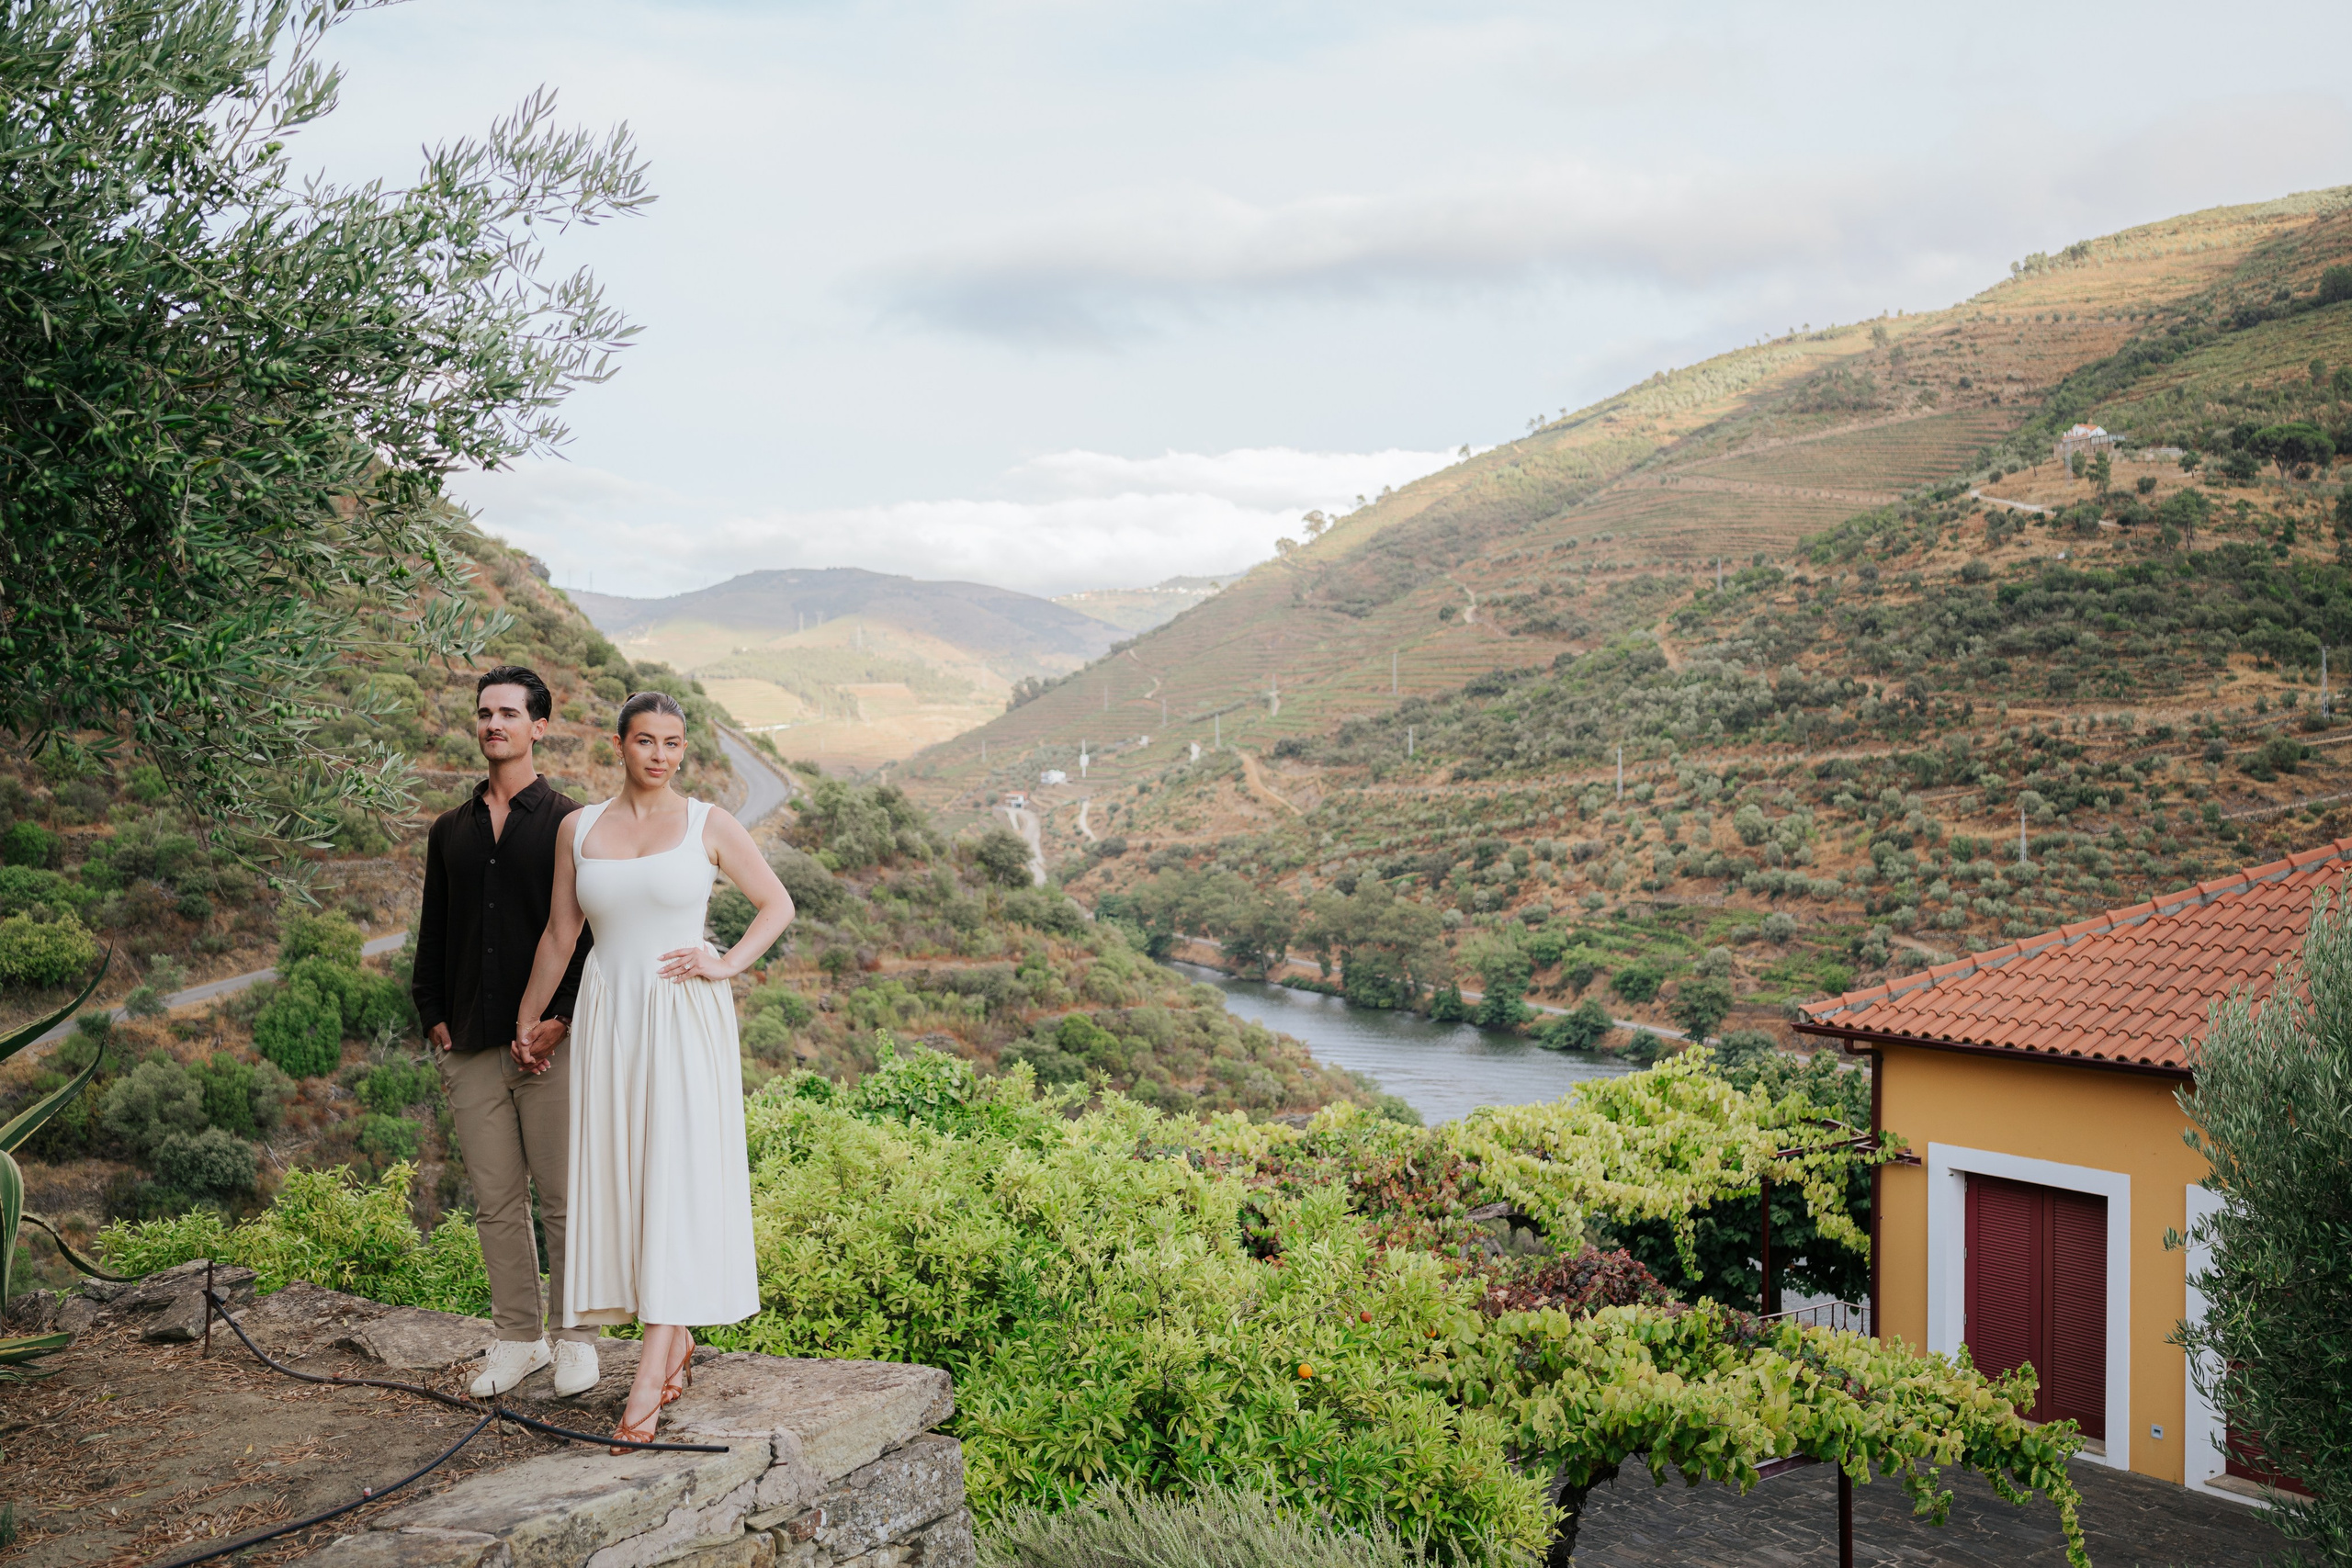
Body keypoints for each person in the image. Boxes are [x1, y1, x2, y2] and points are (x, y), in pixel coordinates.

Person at [513, 690, 794, 1449]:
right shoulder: (579, 827)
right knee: (628, 1181)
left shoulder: (711, 823)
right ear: (620, 744)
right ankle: (673, 1345)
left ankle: (646, 1380)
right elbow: (560, 935)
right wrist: (527, 1022)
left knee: (672, 1180)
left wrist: (725, 960)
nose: (661, 755)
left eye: (673, 743)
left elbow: (776, 904)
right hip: (609, 1019)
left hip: (682, 1018)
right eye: (647, 740)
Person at [411, 666, 601, 1398]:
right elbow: (436, 929)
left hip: (553, 1043)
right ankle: (521, 1338)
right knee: (495, 1200)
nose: (494, 724)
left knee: (563, 1196)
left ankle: (578, 1337)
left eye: (510, 713)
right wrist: (431, 1012)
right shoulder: (448, 830)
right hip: (469, 1043)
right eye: (485, 713)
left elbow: (588, 937)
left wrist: (562, 1019)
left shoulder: (571, 823)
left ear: (538, 726)